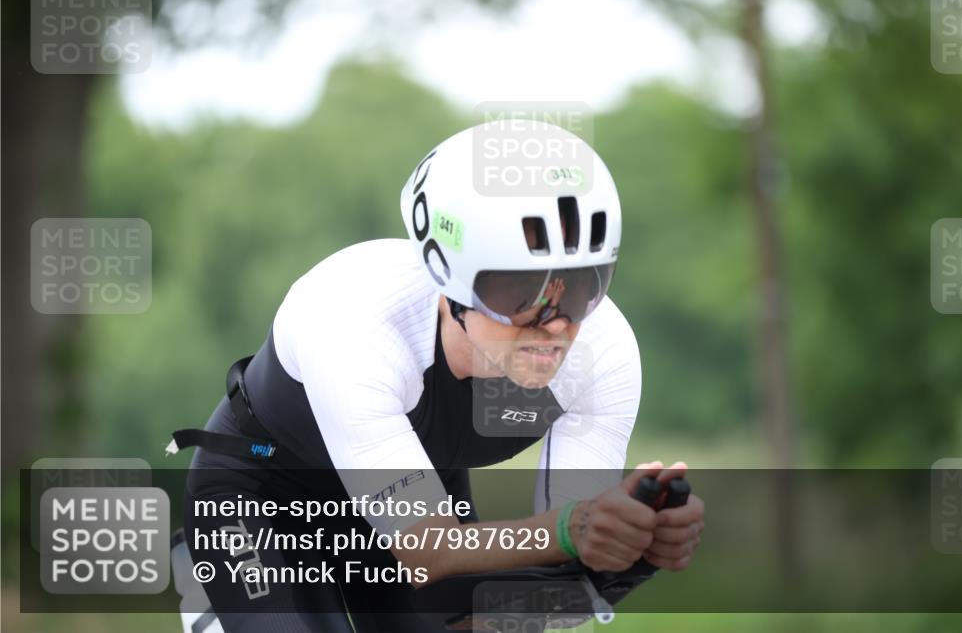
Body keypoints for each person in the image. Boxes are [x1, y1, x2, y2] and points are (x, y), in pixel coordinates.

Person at [169, 120, 705, 632]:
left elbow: (559, 579)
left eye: (584, 285)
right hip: (263, 501)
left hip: (422, 504)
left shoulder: (604, 351)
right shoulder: (358, 319)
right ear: (450, 281)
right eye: (522, 294)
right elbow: (429, 550)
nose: (556, 326)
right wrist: (576, 531)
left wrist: (633, 551)